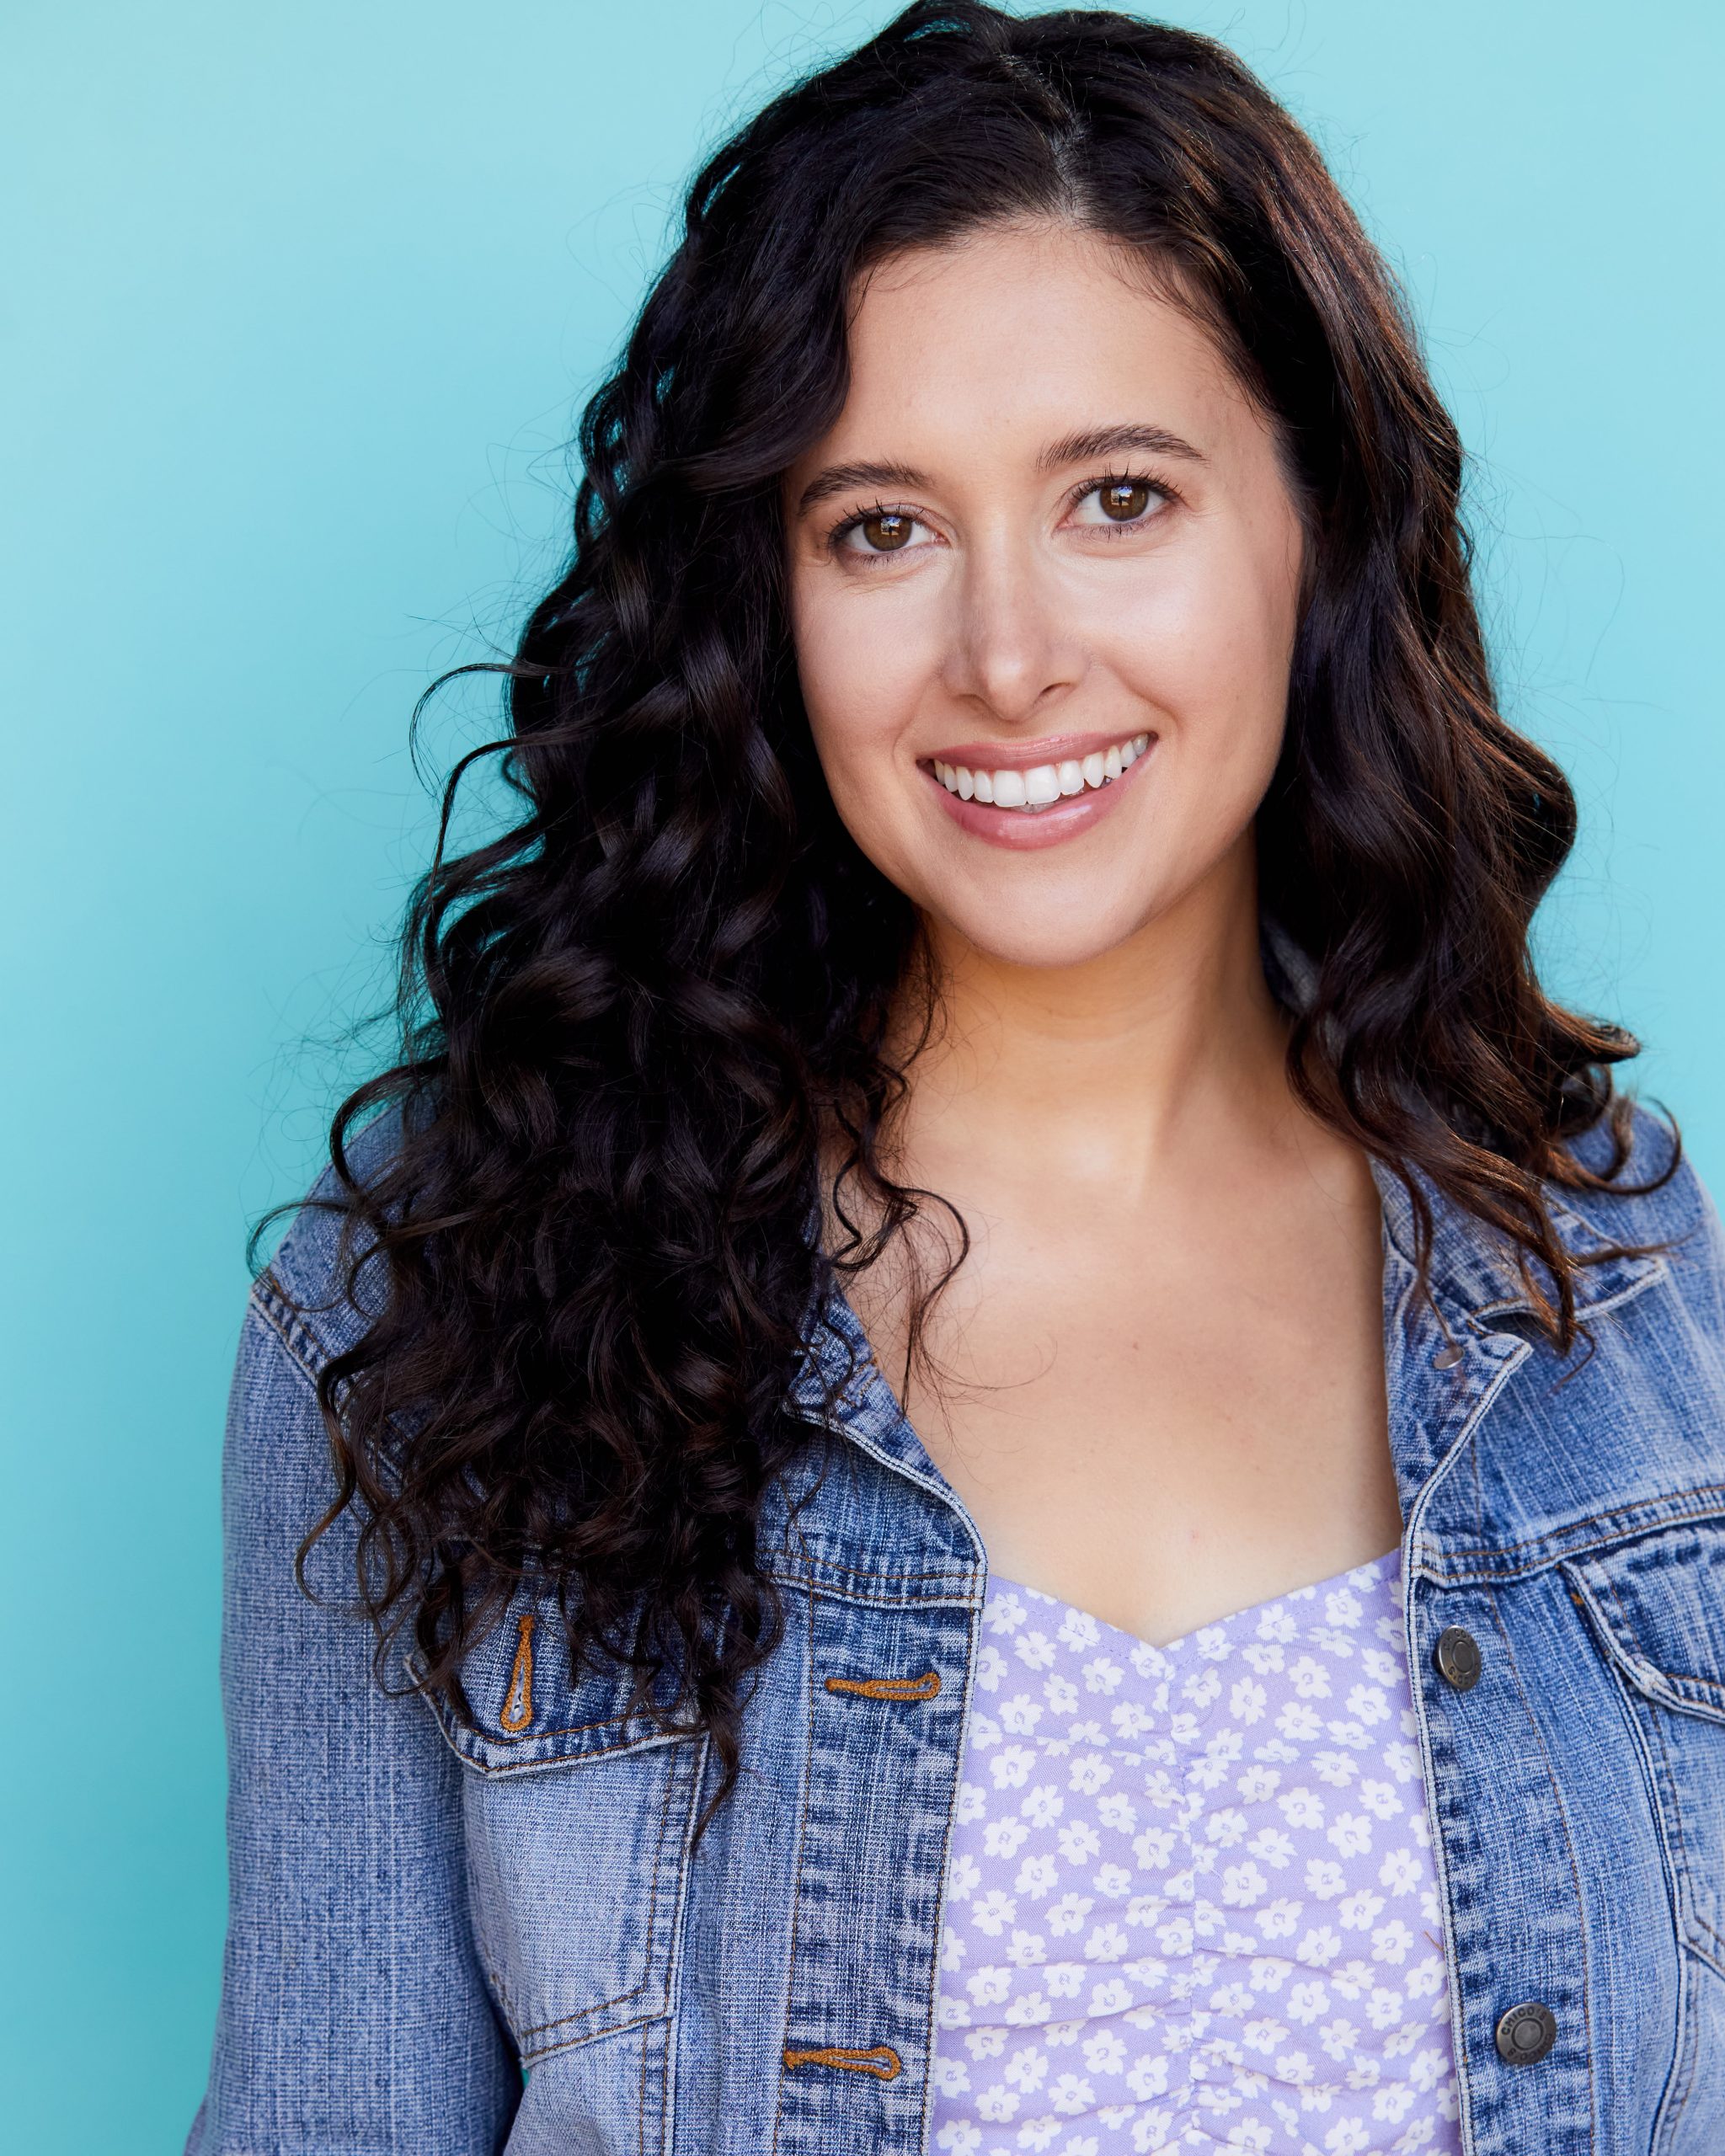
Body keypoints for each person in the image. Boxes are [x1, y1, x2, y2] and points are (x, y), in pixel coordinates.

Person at [186, 7, 1725, 2153]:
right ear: (767, 596)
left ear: (1317, 529)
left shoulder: (1623, 1280)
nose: (1007, 657)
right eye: (881, 528)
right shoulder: (423, 1313)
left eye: (1119, 498)